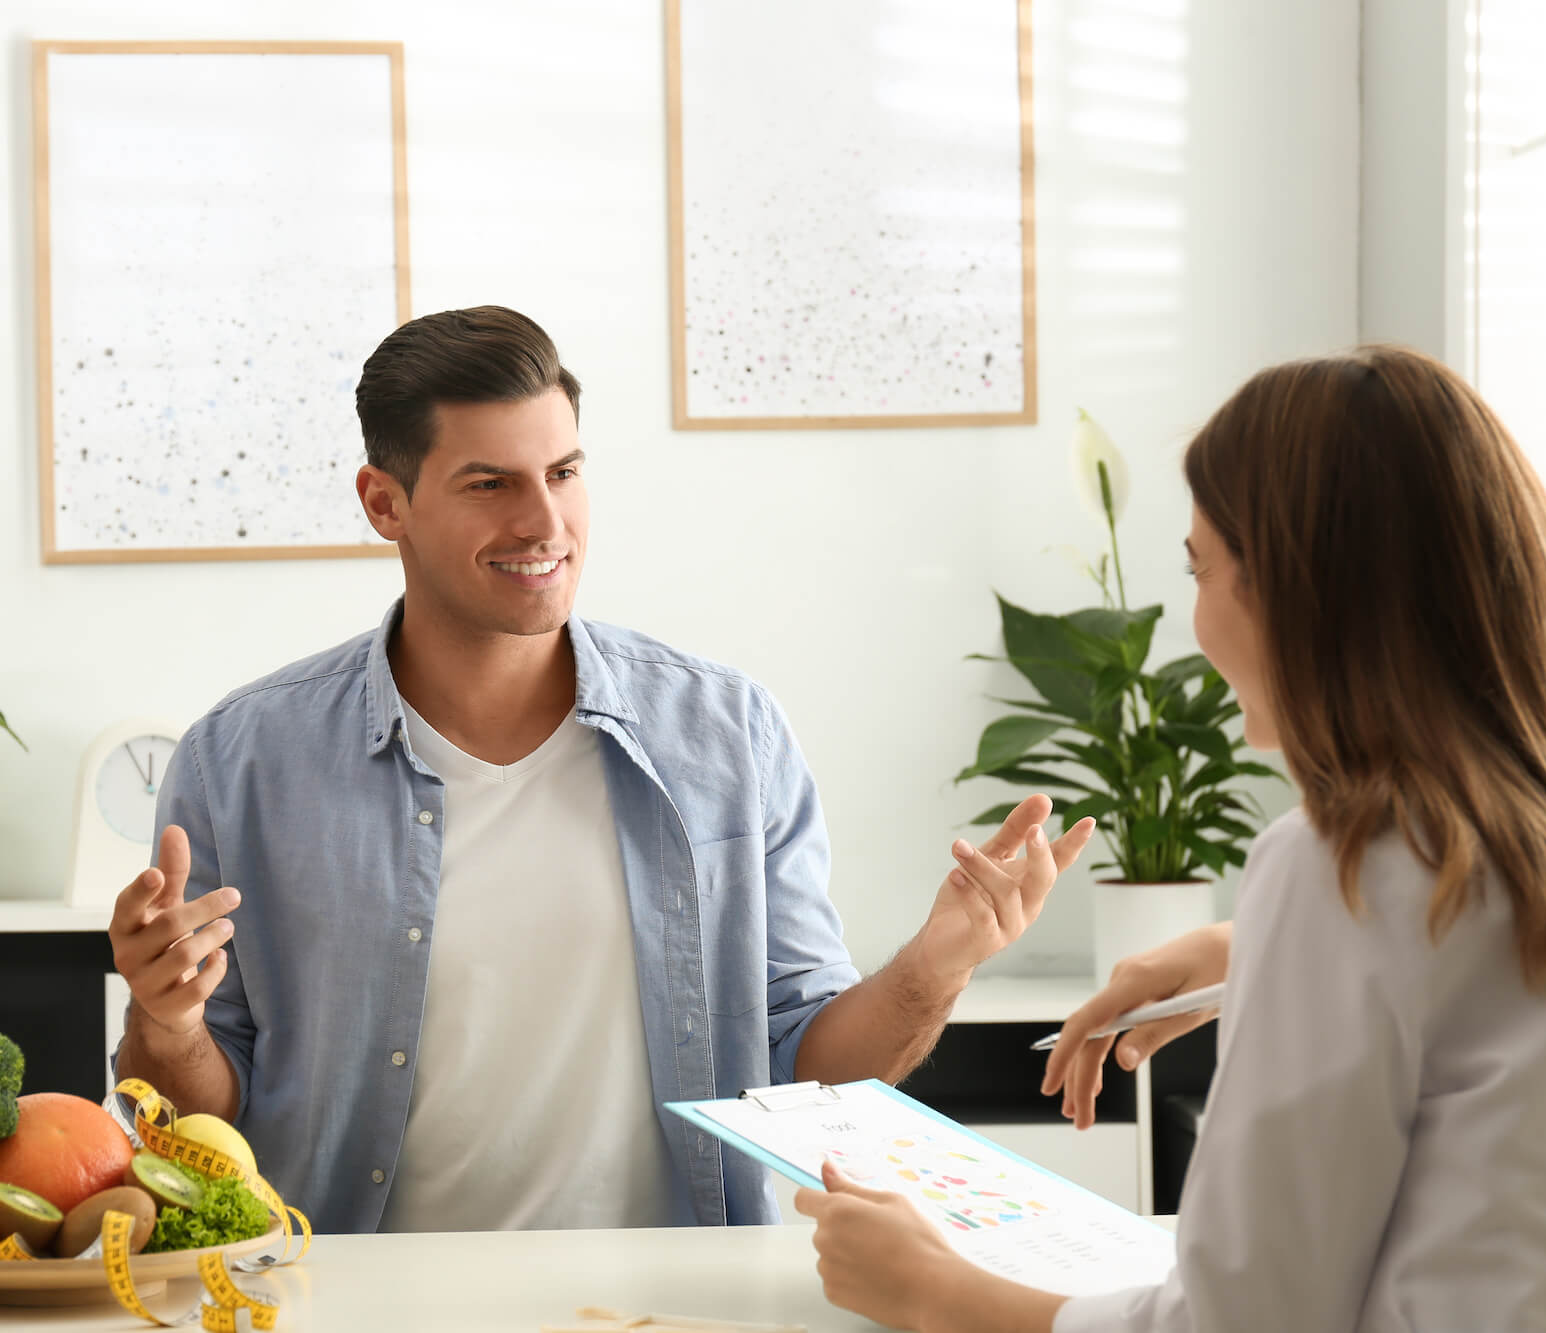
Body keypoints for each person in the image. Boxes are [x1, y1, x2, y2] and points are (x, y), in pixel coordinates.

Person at [108, 305, 1097, 1233]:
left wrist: (940, 962)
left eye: (564, 472)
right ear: (384, 502)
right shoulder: (244, 761)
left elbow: (807, 1070)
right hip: (359, 1300)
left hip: (664, 1301)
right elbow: (202, 1121)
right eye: (489, 483)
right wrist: (167, 1021)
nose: (544, 522)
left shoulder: (729, 736)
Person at [797, 345, 1546, 1331]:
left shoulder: (1343, 866)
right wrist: (1247, 961)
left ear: (1293, 587)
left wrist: (932, 1289)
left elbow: (1243, 1320)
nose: (1194, 614)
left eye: (1201, 567)